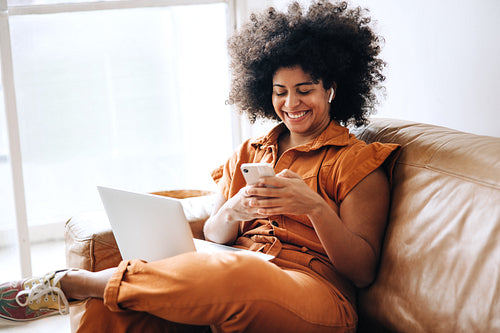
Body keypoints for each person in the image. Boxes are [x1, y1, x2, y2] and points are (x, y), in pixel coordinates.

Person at [0, 1, 400, 332]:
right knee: (116, 308)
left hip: (317, 294)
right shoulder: (252, 149)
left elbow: (362, 271)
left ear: (331, 88)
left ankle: (71, 284)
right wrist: (233, 209)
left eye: (305, 90)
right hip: (241, 265)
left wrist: (313, 206)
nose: (291, 104)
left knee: (234, 275)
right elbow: (214, 233)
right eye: (280, 92)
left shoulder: (356, 161)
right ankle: (91, 289)